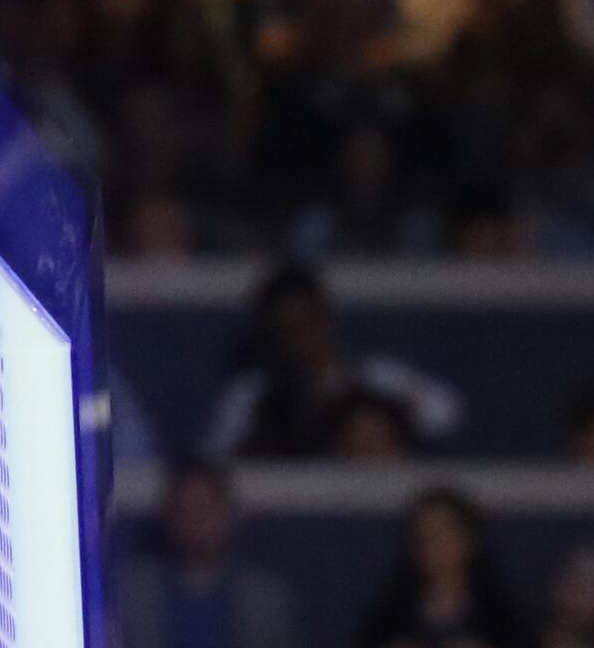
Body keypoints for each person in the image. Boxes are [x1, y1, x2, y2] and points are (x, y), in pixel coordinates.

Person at [201, 263, 462, 460]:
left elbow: (445, 411)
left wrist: (372, 410)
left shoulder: (374, 374)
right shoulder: (251, 394)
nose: (301, 337)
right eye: (286, 329)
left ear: (327, 320)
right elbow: (216, 455)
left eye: (307, 323)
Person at [113, 456, 300, 648]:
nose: (195, 523)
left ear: (226, 514)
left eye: (204, 511)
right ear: (168, 516)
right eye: (184, 511)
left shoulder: (264, 599)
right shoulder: (133, 595)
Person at [354, 485, 532, 648]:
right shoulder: (390, 618)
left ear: (469, 539)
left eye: (442, 534)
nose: (432, 546)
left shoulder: (503, 618)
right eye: (422, 536)